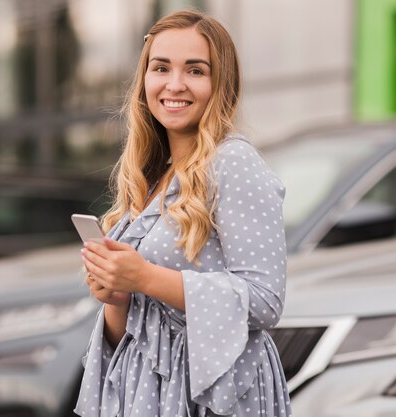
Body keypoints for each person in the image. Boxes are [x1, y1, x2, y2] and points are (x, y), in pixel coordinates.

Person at [75, 9, 291, 417]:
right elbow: (136, 328)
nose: (175, 85)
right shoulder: (149, 177)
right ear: (144, 80)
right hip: (148, 393)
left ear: (220, 84)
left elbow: (265, 301)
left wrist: (146, 277)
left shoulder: (233, 163)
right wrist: (117, 298)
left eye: (195, 70)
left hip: (214, 396)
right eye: (161, 68)